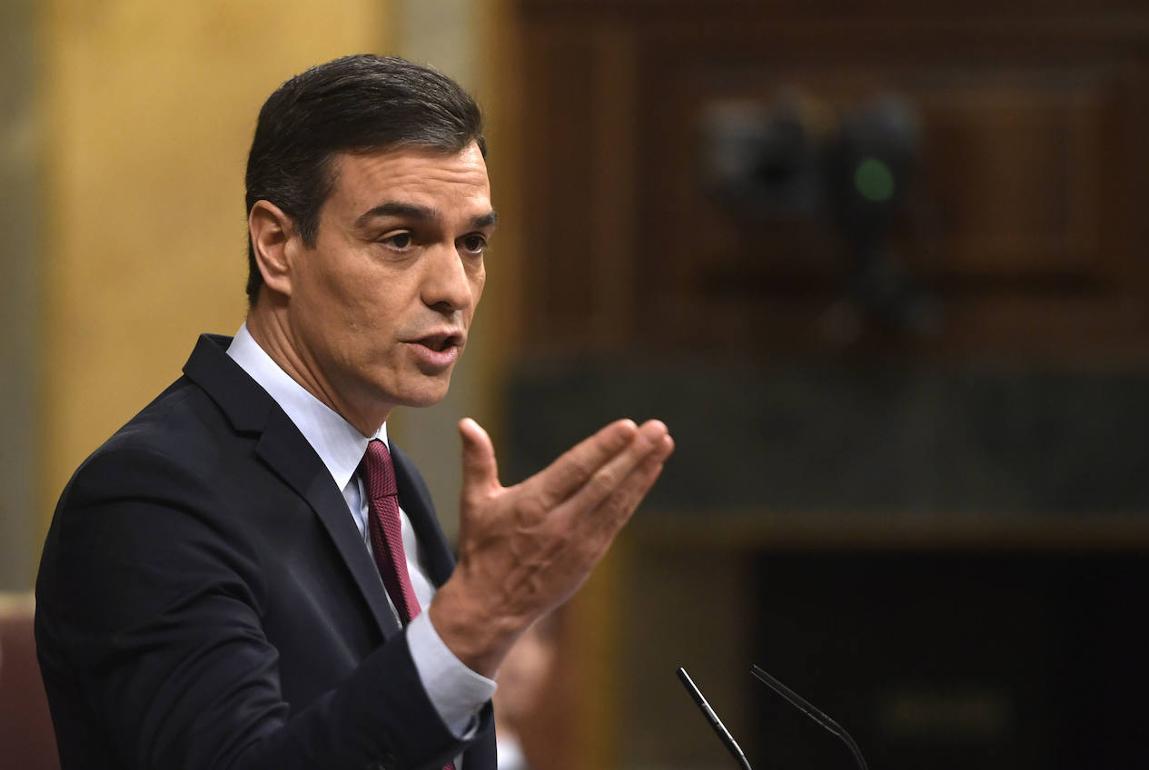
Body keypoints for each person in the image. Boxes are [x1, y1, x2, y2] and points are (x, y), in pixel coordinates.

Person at [34, 54, 674, 770]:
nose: (454, 290)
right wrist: (470, 627)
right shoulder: (149, 496)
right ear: (277, 246)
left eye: (472, 244)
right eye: (400, 240)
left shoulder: (389, 479)